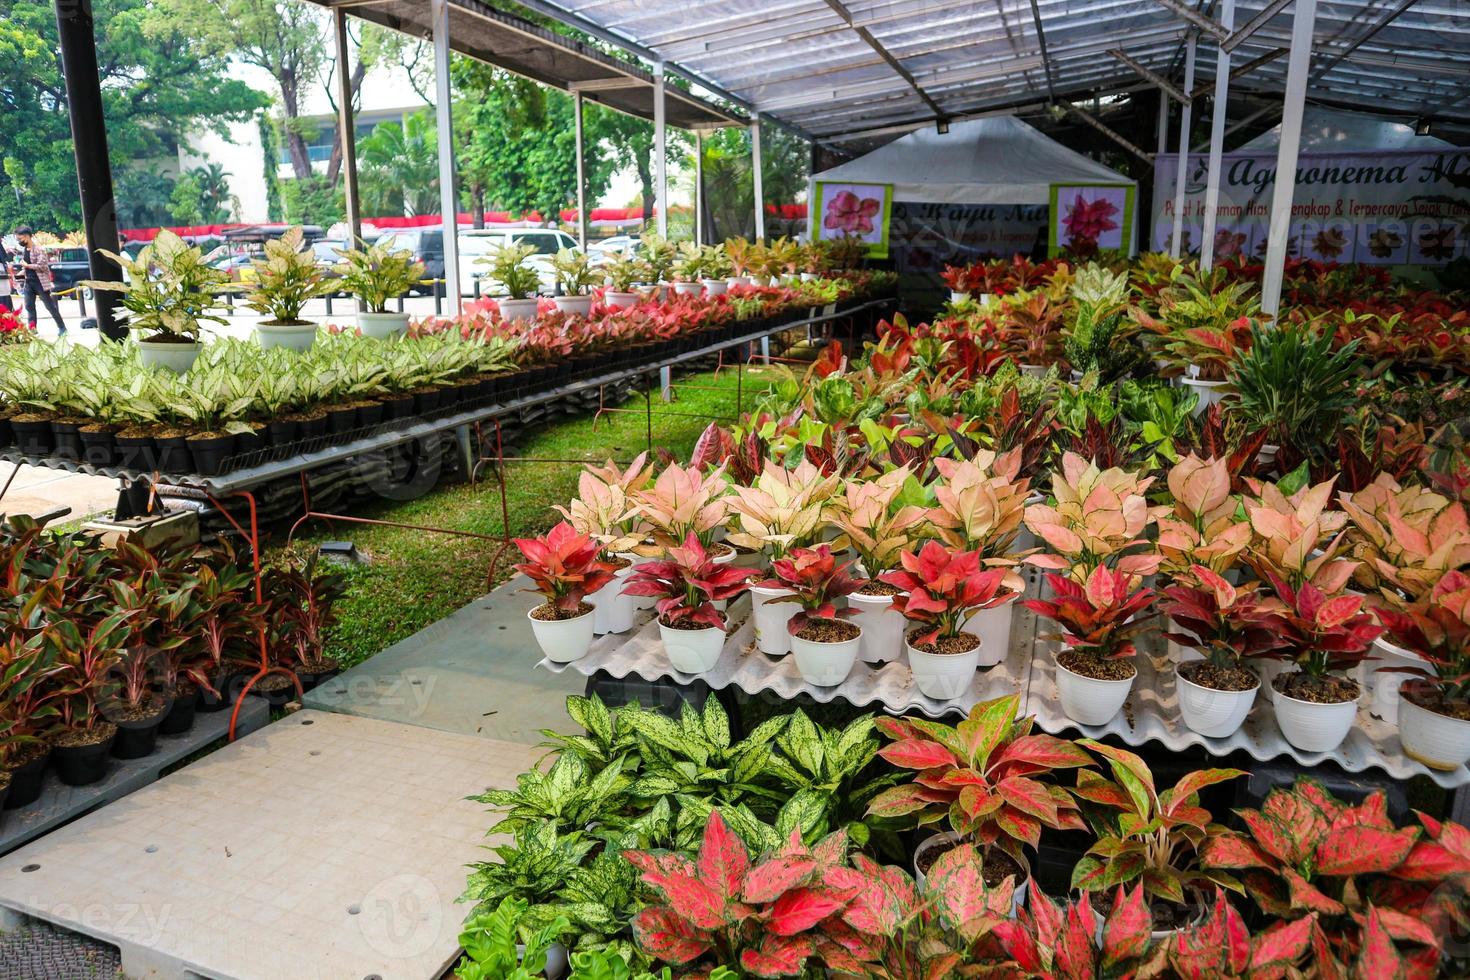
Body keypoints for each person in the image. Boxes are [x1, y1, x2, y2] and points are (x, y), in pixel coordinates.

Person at [13, 227, 66, 335]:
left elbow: (42, 266)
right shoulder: (25, 250)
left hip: (40, 282)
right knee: (29, 306)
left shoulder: (38, 249)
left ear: (27, 236)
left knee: (50, 306)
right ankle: (33, 329)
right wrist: (20, 273)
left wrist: (27, 265)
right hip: (29, 282)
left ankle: (62, 327)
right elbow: (26, 267)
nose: (19, 242)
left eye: (20, 239)